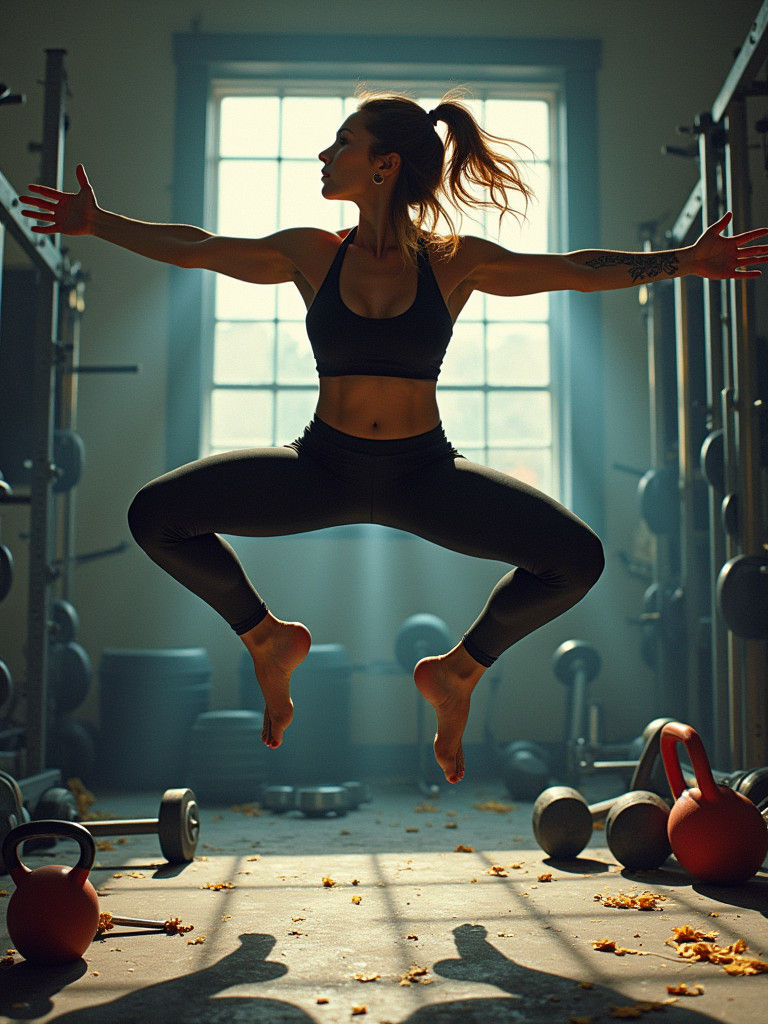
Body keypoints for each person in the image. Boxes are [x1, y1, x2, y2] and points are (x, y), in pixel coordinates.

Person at [21, 92, 767, 785]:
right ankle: (265, 638)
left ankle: (458, 673)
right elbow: (201, 246)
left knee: (577, 559)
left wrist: (686, 264)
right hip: (320, 467)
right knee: (155, 514)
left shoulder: (453, 262)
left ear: (385, 165)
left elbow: (571, 270)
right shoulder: (311, 252)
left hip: (423, 475)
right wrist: (100, 223)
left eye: (341, 142)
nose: (323, 155)